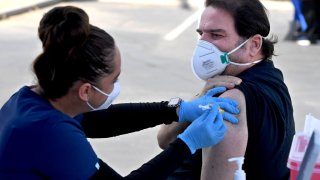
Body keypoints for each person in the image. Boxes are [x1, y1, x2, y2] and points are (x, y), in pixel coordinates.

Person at [0, 6, 241, 179]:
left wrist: (177, 109)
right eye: (114, 80)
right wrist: (187, 143)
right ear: (85, 91)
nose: (116, 86)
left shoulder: (30, 100)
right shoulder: (51, 134)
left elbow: (99, 121)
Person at [157, 0, 296, 179]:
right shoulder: (271, 76)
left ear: (254, 44)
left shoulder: (230, 101)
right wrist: (199, 98)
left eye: (216, 35)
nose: (203, 45)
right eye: (201, 34)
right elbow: (164, 140)